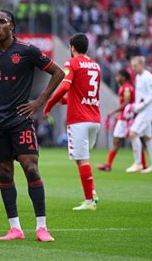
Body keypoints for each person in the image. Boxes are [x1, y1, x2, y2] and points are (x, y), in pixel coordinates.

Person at [0, 10, 64, 242]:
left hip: (21, 120)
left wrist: (38, 102)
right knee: (5, 172)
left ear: (12, 26)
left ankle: (42, 227)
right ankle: (15, 228)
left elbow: (58, 73)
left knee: (31, 168)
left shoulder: (27, 51)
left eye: (2, 22)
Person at [43, 33, 101, 211]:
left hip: (79, 120)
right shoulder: (95, 65)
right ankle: (93, 193)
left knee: (82, 159)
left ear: (72, 48)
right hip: (94, 119)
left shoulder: (72, 63)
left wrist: (49, 104)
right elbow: (86, 94)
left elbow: (65, 86)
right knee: (82, 158)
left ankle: (89, 201)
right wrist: (67, 101)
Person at [97, 69, 147, 172]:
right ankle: (109, 164)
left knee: (129, 140)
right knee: (126, 140)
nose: (116, 78)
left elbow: (127, 102)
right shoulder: (124, 87)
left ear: (123, 77)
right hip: (125, 117)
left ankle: (109, 165)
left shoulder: (127, 88)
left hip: (127, 119)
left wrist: (114, 111)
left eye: (118, 76)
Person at [125, 56, 152, 173]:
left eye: (135, 66)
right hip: (142, 111)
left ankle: (138, 163)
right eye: (132, 66)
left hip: (147, 110)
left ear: (141, 65)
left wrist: (141, 105)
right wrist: (135, 108)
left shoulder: (148, 77)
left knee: (133, 133)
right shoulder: (138, 77)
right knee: (147, 138)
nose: (133, 68)